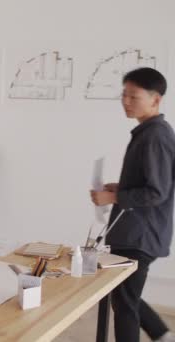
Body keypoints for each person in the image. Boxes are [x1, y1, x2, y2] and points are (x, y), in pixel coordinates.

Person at [91, 67, 174, 342]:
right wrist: (120, 188)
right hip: (136, 231)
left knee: (124, 303)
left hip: (140, 234)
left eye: (133, 96)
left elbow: (156, 192)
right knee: (126, 293)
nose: (126, 102)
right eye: (124, 95)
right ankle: (161, 333)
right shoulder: (148, 131)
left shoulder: (155, 136)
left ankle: (161, 333)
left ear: (156, 99)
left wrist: (114, 197)